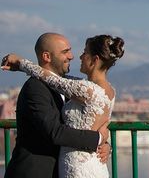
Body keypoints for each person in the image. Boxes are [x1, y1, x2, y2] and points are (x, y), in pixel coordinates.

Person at [2, 33, 123, 178]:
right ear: (47, 56)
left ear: (95, 60)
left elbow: (88, 122)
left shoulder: (79, 89)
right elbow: (55, 132)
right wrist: (97, 139)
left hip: (77, 168)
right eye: (65, 52)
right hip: (36, 172)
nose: (73, 56)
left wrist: (104, 144)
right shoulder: (35, 87)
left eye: (83, 52)